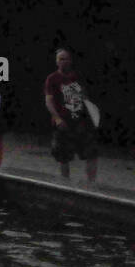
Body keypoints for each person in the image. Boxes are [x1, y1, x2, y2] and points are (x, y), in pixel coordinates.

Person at [43, 47, 98, 183]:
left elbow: (85, 97)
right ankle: (65, 184)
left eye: (66, 58)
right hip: (62, 123)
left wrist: (89, 117)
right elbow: (49, 101)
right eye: (61, 59)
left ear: (71, 61)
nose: (64, 61)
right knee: (63, 157)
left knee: (91, 153)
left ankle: (91, 184)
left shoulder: (77, 76)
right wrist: (57, 118)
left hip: (80, 122)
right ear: (56, 62)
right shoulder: (52, 79)